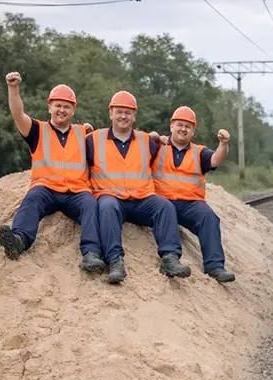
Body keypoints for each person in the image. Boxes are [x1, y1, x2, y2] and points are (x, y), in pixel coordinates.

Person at [0, 72, 105, 272]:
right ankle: (19, 240)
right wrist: (13, 89)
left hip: (76, 192)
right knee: (32, 199)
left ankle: (91, 253)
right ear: (49, 107)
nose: (61, 110)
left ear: (73, 110)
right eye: (58, 105)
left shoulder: (84, 133)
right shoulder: (37, 130)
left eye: (66, 106)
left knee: (91, 205)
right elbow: (18, 114)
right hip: (45, 189)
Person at [87, 90, 192, 284]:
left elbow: (173, 155)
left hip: (142, 199)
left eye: (128, 112)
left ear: (134, 115)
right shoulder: (93, 139)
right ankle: (115, 261)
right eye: (119, 111)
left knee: (165, 206)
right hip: (110, 196)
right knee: (107, 207)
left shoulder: (147, 141)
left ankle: (170, 258)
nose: (123, 116)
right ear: (110, 112)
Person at [153, 105, 235, 283]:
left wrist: (223, 144)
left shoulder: (199, 152)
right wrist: (153, 136)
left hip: (191, 204)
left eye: (187, 126)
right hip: (162, 202)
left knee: (209, 218)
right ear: (171, 126)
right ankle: (172, 259)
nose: (183, 129)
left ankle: (215, 266)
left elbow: (216, 160)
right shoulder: (158, 147)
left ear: (193, 132)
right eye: (179, 124)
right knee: (165, 209)